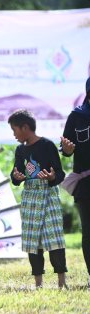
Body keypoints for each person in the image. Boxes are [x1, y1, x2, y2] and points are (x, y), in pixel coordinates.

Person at [9, 109, 67, 289]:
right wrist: (16, 177)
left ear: (25, 127)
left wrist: (51, 178)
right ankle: (38, 282)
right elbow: (16, 174)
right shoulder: (20, 150)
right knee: (33, 240)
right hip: (30, 197)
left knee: (55, 238)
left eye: (15, 130)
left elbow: (59, 173)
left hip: (49, 195)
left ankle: (61, 281)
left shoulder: (47, 145)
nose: (14, 134)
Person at [61, 77, 90, 287]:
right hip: (86, 183)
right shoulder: (77, 116)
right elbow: (66, 147)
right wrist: (68, 150)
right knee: (89, 231)